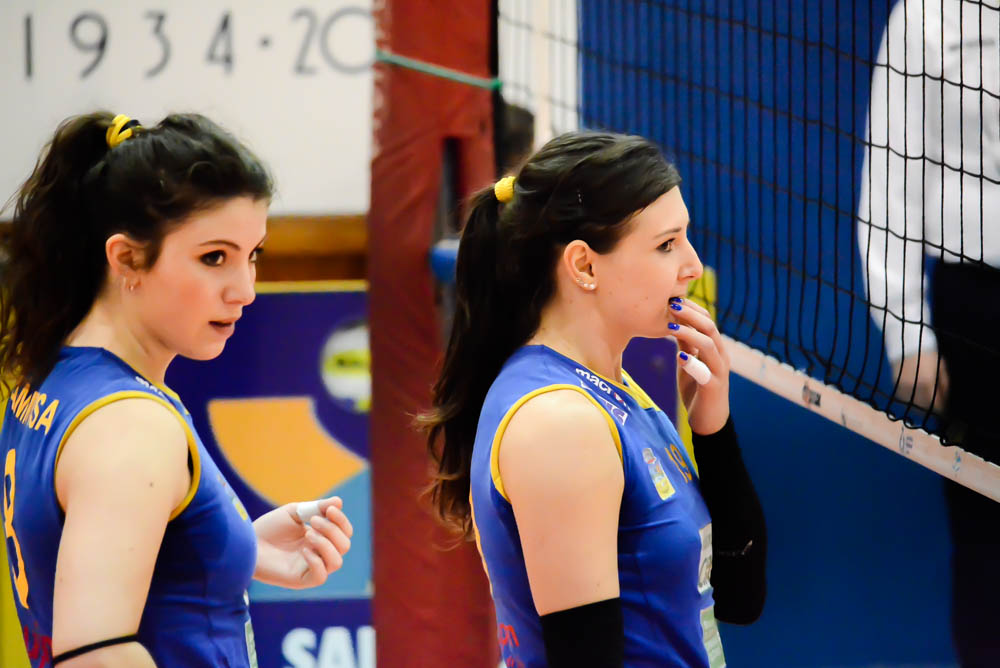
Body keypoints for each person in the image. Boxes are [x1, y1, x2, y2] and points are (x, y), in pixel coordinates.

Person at [0, 112, 354, 668]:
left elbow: (101, 561)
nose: (245, 289)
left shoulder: (54, 378)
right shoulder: (129, 425)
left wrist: (233, 545)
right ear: (127, 258)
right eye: (214, 257)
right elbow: (94, 655)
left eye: (252, 255)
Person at [422, 131, 766, 667]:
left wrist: (713, 428)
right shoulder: (561, 423)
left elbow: (740, 597)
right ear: (584, 266)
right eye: (666, 244)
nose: (693, 266)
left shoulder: (616, 390)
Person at [857, 1, 1000, 665]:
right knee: (987, 541)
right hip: (979, 311)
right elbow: (890, 178)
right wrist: (906, 332)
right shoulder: (928, 15)